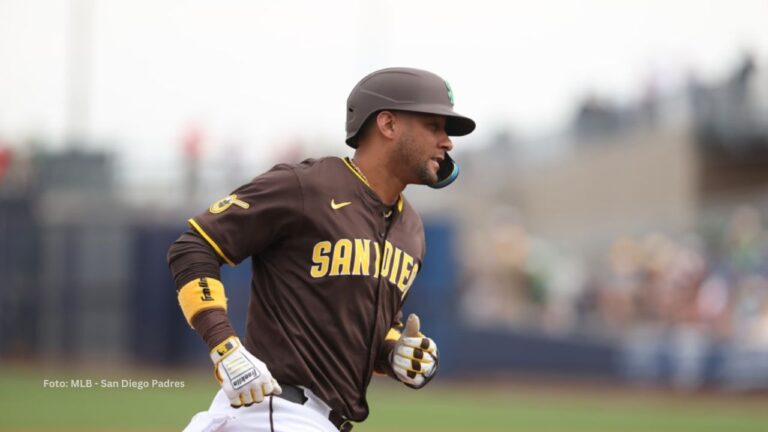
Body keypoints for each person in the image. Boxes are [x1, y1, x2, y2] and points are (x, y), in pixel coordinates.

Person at [167, 67, 476, 432]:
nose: (448, 142)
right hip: (273, 410)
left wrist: (394, 351)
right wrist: (224, 345)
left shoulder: (412, 230)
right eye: (433, 126)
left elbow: (358, 328)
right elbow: (194, 246)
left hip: (319, 420)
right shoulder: (307, 187)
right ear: (388, 125)